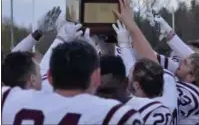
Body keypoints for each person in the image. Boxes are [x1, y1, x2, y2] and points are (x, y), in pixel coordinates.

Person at [2, 39, 143, 125]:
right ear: (96, 77)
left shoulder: (8, 100)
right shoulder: (117, 115)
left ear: (49, 77)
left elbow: (10, 64)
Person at [146, 11, 199, 124]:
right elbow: (191, 60)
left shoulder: (193, 97)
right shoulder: (190, 74)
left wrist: (132, 34)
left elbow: (153, 61)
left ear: (191, 76)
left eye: (184, 62)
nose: (179, 62)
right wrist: (168, 33)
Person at [97, 55, 173, 125]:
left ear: (125, 83)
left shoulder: (153, 111)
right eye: (97, 92)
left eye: (107, 91)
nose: (101, 97)